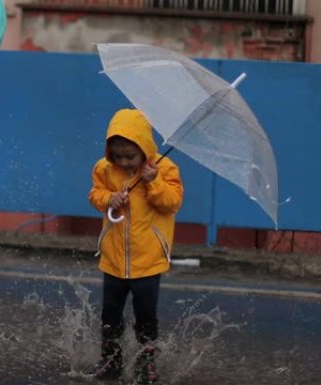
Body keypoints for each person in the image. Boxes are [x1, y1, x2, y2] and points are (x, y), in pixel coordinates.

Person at [86, 109, 183, 385]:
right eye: (118, 157)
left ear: (144, 148)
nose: (125, 163)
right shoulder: (104, 169)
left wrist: (153, 183)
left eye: (130, 156)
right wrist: (109, 198)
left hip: (148, 259)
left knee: (145, 316)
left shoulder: (164, 169)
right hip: (114, 258)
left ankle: (146, 361)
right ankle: (111, 358)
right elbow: (94, 194)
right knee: (110, 313)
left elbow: (172, 202)